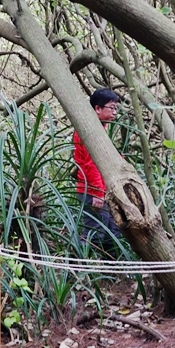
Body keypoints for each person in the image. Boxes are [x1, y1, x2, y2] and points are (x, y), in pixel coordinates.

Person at [73, 89, 124, 249]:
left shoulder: (99, 129)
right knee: (94, 234)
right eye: (112, 108)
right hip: (92, 192)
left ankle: (114, 272)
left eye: (116, 108)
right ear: (97, 108)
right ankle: (81, 270)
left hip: (102, 191)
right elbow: (91, 163)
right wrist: (96, 192)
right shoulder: (87, 130)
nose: (115, 112)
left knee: (112, 233)